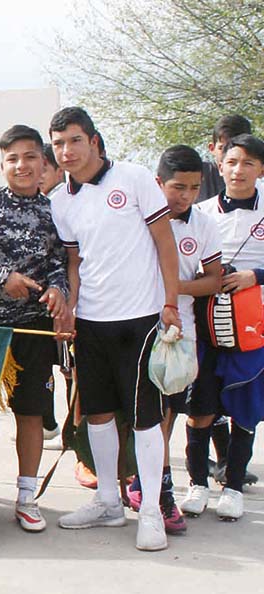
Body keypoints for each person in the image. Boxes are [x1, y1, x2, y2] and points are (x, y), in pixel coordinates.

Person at [49, 107, 181, 552]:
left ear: (94, 141)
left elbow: (165, 243)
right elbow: (74, 261)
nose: (67, 151)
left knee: (145, 418)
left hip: (141, 319)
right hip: (91, 321)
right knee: (99, 414)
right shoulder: (60, 200)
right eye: (59, 143)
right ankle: (108, 501)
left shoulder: (134, 177)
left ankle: (151, 512)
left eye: (74, 140)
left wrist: (169, 303)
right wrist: (69, 310)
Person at [0, 125, 70, 533]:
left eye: (30, 157)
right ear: (2, 163)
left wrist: (58, 290)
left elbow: (60, 263)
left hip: (32, 328)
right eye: (13, 159)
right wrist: (3, 277)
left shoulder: (54, 211)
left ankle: (27, 497)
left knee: (31, 411)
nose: (22, 165)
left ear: (43, 162)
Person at [118, 145, 219, 533]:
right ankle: (151, 489)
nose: (186, 196)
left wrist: (174, 288)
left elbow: (214, 279)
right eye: (178, 187)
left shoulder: (204, 224)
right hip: (136, 326)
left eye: (194, 188)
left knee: (168, 413)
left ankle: (151, 487)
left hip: (179, 335)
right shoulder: (137, 219)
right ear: (158, 182)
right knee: (143, 413)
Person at [190, 133, 264, 521]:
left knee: (244, 409)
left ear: (261, 170)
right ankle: (197, 483)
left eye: (248, 163)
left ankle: (233, 486)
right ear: (220, 166)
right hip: (206, 326)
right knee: (200, 408)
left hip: (253, 329)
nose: (238, 171)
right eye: (232, 162)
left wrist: (256, 276)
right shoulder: (200, 213)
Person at [198, 115, 252, 203]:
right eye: (222, 148)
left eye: (235, 149)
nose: (228, 155)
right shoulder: (195, 174)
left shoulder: (257, 180)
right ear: (212, 148)